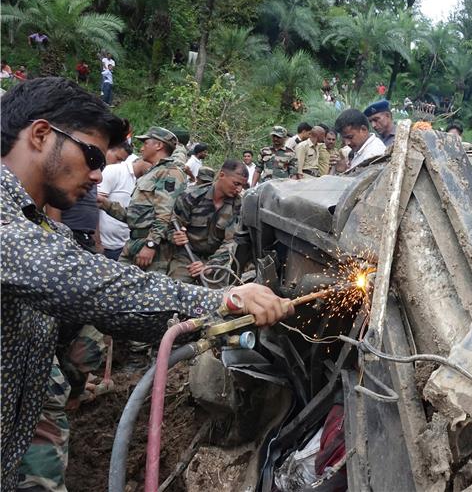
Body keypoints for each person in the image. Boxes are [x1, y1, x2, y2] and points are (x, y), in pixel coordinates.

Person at [0, 77, 292, 491]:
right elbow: (90, 285)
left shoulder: (42, 227)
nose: (99, 176)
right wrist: (222, 302)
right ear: (41, 134)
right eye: (91, 157)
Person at [99, 126, 186, 274]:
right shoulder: (152, 172)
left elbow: (164, 214)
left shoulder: (169, 173)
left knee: (146, 293)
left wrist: (151, 245)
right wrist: (105, 204)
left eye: (146, 143)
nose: (141, 148)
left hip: (151, 248)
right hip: (134, 242)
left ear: (158, 145)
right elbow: (137, 216)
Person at [169, 160, 248, 284]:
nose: (239, 189)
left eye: (242, 186)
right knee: (177, 288)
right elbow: (171, 226)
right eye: (236, 183)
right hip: (187, 256)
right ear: (222, 175)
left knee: (218, 298)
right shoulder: (191, 197)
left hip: (217, 260)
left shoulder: (239, 205)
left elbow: (231, 242)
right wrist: (174, 236)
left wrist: (210, 266)